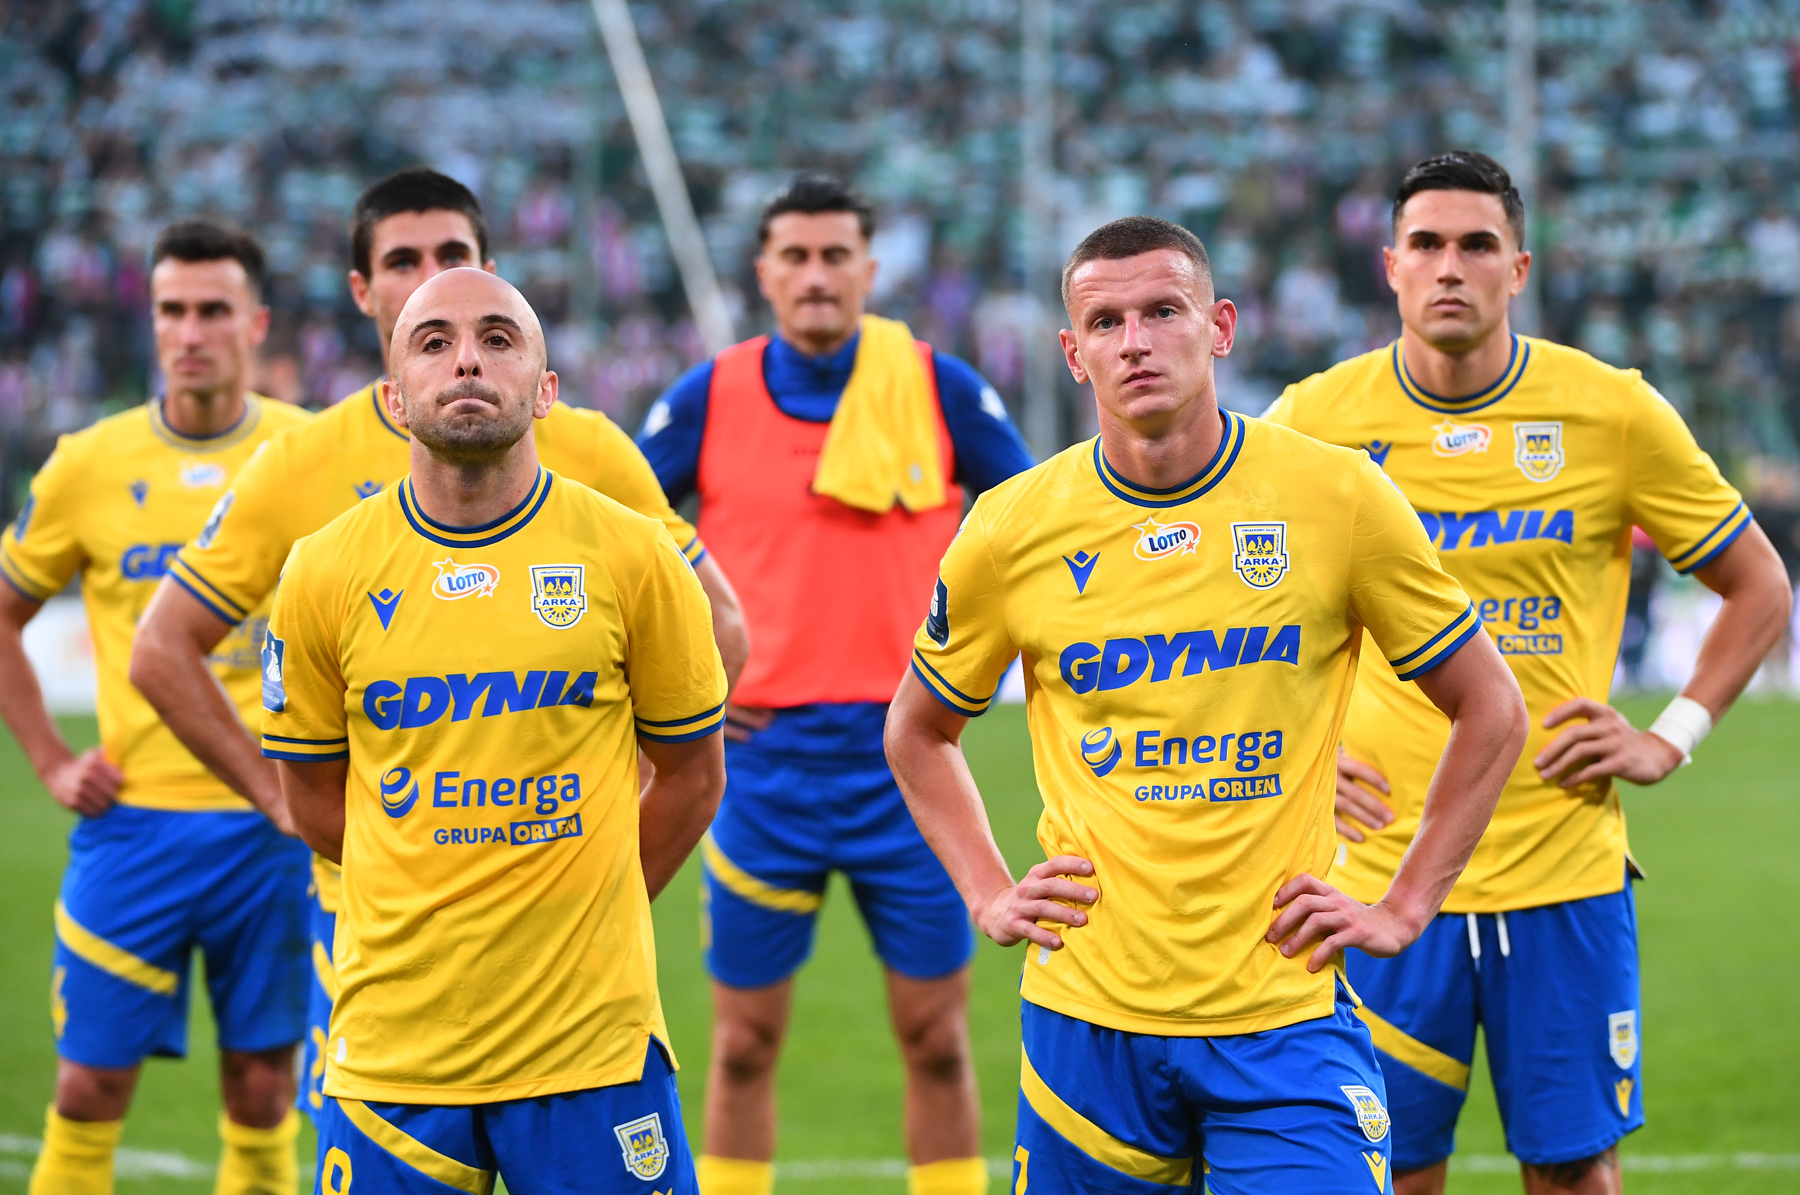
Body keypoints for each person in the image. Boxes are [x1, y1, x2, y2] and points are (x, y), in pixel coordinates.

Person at [886, 215, 1531, 1195]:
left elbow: (1491, 705)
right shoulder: (1010, 528)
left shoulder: (1337, 496)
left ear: (1220, 326)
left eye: (1163, 310)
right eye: (1105, 323)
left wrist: (1406, 906)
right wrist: (988, 891)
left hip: (1284, 1013)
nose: (1135, 342)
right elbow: (918, 730)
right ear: (1072, 352)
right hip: (1087, 1026)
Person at [130, 168, 748, 1122]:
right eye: (403, 261)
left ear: (490, 271)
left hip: (573, 962)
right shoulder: (299, 468)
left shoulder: (587, 448)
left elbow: (719, 630)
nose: (431, 277)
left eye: (453, 256)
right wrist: (277, 798)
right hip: (378, 941)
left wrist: (610, 821)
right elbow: (163, 646)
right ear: (362, 290)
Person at [1263, 151, 1792, 1195]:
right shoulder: (1312, 424)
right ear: (1390, 266)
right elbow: (1236, 616)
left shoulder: (1610, 411)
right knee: (1384, 1172)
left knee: (1575, 1175)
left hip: (1561, 869)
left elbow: (1759, 584)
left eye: (1477, 245)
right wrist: (1296, 761)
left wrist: (1670, 734)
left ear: (1520, 268)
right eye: (1426, 244)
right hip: (1373, 877)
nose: (1449, 266)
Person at [264, 266, 726, 1193]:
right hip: (394, 1054)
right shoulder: (322, 570)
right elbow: (311, 797)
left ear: (546, 390)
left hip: (591, 1047)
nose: (467, 360)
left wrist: (589, 900)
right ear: (395, 397)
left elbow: (692, 775)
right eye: (434, 342)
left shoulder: (636, 555)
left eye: (499, 339)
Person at [635, 172, 1033, 1195]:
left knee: (937, 1036)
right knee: (741, 1044)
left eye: (835, 256)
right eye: (796, 257)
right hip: (760, 771)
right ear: (764, 272)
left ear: (869, 268)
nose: (816, 275)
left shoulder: (938, 387)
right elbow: (623, 532)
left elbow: (1038, 522)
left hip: (910, 766)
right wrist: (689, 673)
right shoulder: (708, 396)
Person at [0, 220, 313, 1195]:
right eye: (172, 309)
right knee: (88, 1085)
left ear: (256, 324)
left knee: (265, 1090)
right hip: (135, 825)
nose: (190, 332)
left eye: (214, 310)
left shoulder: (312, 454)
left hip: (278, 824)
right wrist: (52, 760)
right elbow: (4, 612)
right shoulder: (87, 463)